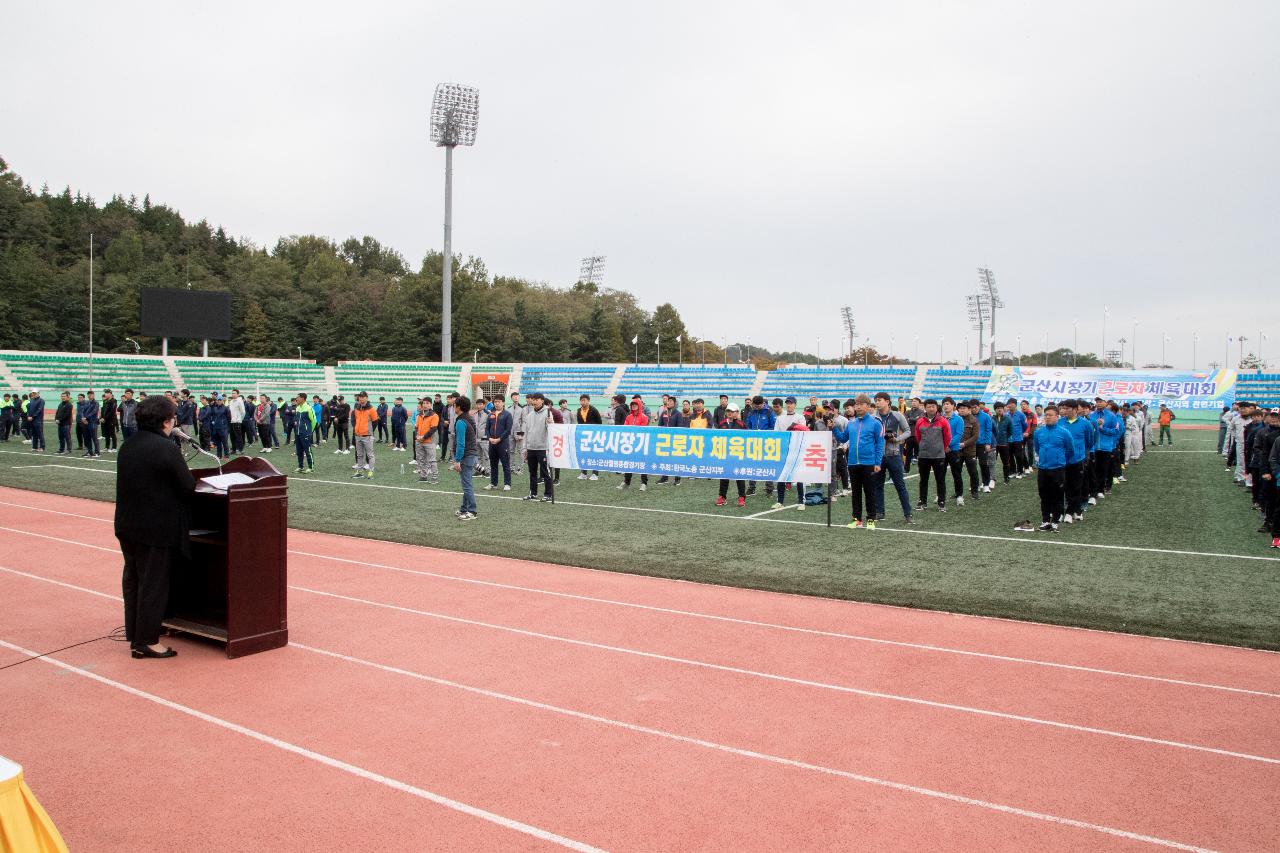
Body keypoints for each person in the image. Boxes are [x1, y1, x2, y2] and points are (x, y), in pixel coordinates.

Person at [115, 394, 195, 658]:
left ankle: (136, 634)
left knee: (134, 579)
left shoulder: (128, 445)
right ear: (165, 421)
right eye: (173, 418)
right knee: (154, 583)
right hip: (156, 528)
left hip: (128, 525)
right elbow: (187, 486)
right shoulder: (166, 448)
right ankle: (147, 641)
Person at [833, 394, 884, 529]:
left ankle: (871, 519)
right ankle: (857, 519)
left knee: (869, 492)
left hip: (869, 463)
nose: (858, 407)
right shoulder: (851, 423)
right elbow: (843, 438)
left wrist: (877, 463)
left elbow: (880, 444)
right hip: (852, 463)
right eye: (856, 404)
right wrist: (834, 428)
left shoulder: (875, 423)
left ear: (867, 406)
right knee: (855, 492)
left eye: (861, 404)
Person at [871, 392, 913, 524]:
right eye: (876, 400)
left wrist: (897, 439)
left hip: (894, 455)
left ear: (888, 401)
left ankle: (908, 514)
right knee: (877, 485)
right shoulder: (872, 418)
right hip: (878, 456)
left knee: (900, 485)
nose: (877, 403)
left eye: (880, 400)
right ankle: (880, 513)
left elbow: (908, 431)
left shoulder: (897, 415)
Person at [1031, 405, 1074, 532]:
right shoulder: (1039, 432)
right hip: (1043, 469)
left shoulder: (1064, 432)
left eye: (1050, 415)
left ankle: (1055, 521)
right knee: (1044, 495)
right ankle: (1045, 521)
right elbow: (1037, 448)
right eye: (1046, 415)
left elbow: (1070, 450)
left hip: (1058, 469)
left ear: (1057, 416)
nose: (1048, 417)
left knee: (1058, 495)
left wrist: (1059, 460)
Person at [913, 399, 951, 512]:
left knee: (940, 480)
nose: (931, 408)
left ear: (936, 407)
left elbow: (947, 437)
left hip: (938, 456)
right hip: (924, 455)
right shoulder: (920, 421)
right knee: (923, 480)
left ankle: (941, 502)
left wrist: (941, 448)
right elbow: (918, 436)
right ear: (925, 407)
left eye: (933, 406)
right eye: (929, 406)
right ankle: (922, 502)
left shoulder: (943, 421)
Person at [521, 392, 555, 501]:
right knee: (532, 472)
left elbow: (552, 429)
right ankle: (533, 493)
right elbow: (527, 432)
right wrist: (525, 448)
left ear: (542, 401)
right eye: (533, 399)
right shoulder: (529, 415)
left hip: (543, 448)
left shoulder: (548, 413)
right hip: (531, 448)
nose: (534, 401)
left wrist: (551, 423)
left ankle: (548, 494)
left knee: (545, 472)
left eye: (536, 399)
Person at [449, 396, 479, 520]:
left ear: (459, 407)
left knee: (467, 485)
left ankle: (472, 511)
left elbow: (461, 443)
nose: (453, 407)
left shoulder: (461, 422)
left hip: (466, 456)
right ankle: (464, 509)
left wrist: (457, 460)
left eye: (454, 405)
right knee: (467, 483)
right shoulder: (469, 418)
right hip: (470, 454)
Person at [715, 404, 748, 507]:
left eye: (732, 411)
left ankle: (742, 497)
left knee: (739, 476)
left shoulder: (741, 425)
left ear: (737, 413)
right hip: (725, 455)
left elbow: (747, 439)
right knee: (724, 476)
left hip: (738, 455)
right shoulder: (722, 424)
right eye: (728, 410)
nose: (729, 412)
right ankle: (722, 497)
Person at [744, 395, 776, 497]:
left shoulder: (769, 412)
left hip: (767, 442)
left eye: (758, 406)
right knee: (752, 465)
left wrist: (763, 432)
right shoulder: (751, 412)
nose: (756, 407)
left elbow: (774, 427)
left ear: (763, 403)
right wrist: (752, 432)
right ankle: (752, 488)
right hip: (753, 442)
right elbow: (747, 426)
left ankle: (769, 488)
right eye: (755, 406)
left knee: (767, 464)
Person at [618, 398, 650, 491]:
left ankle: (644, 483)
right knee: (628, 463)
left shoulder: (644, 417)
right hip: (630, 444)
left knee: (642, 463)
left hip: (640, 444)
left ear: (639, 405)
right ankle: (626, 482)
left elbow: (643, 430)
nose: (633, 406)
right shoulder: (628, 417)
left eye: (635, 404)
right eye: (632, 404)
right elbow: (625, 429)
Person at [484, 396, 513, 491]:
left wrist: (499, 439)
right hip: (492, 443)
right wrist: (489, 438)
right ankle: (493, 483)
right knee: (493, 464)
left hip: (503, 443)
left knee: (505, 464)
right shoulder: (490, 415)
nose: (497, 403)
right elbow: (487, 429)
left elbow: (508, 430)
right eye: (495, 402)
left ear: (503, 403)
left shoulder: (507, 415)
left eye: (499, 402)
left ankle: (507, 484)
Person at [350, 391, 379, 479]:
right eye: (360, 397)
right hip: (357, 435)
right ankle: (359, 472)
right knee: (359, 455)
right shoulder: (356, 409)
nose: (361, 399)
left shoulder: (371, 409)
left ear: (367, 398)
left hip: (367, 436)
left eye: (363, 397)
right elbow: (354, 420)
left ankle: (371, 472)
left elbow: (375, 422)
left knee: (370, 455)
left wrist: (369, 431)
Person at [575, 394, 602, 480]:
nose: (583, 402)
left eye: (584, 400)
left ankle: (595, 474)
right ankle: (583, 473)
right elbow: (579, 423)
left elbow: (599, 422)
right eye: (581, 400)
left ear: (588, 401)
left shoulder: (594, 410)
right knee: (583, 454)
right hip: (583, 436)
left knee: (594, 455)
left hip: (594, 436)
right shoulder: (578, 410)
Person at [413, 398, 440, 483]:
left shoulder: (434, 415)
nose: (425, 405)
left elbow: (433, 429)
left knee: (432, 460)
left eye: (427, 403)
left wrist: (423, 437)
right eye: (424, 403)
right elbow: (416, 427)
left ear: (430, 404)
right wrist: (417, 436)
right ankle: (423, 477)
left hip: (429, 442)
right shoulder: (419, 415)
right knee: (421, 459)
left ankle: (434, 478)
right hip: (419, 441)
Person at [291, 393, 317, 473]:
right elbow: (296, 419)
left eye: (297, 398)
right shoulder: (298, 407)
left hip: (305, 433)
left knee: (307, 450)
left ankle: (311, 467)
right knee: (299, 451)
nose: (296, 399)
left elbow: (314, 421)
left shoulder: (309, 408)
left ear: (302, 398)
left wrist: (309, 431)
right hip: (297, 433)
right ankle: (300, 467)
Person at [206, 393, 231, 460]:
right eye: (217, 400)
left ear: (222, 400)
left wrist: (227, 428)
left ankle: (226, 456)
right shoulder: (214, 408)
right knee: (218, 443)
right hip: (216, 428)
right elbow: (213, 417)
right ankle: (219, 456)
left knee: (225, 443)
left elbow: (229, 419)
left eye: (220, 400)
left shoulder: (226, 408)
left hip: (223, 428)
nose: (218, 401)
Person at [509, 392, 529, 475]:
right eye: (514, 396)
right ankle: (512, 467)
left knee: (520, 451)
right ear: (511, 398)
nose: (516, 397)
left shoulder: (522, 409)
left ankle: (520, 468)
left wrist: (522, 433)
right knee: (511, 451)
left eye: (517, 396)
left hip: (519, 432)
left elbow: (524, 422)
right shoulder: (509, 408)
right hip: (510, 432)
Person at [80, 390, 101, 458]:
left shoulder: (96, 403)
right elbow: (82, 411)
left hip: (92, 422)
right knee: (87, 438)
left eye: (91, 394)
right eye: (88, 394)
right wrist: (83, 418)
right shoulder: (86, 403)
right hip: (85, 423)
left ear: (93, 395)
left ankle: (97, 452)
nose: (90, 395)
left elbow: (94, 412)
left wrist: (85, 417)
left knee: (94, 437)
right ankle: (90, 452)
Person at [228, 390, 246, 454]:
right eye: (232, 393)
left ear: (238, 394)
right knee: (232, 436)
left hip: (237, 421)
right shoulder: (231, 401)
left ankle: (240, 449)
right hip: (231, 421)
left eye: (234, 393)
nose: (233, 394)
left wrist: (239, 420)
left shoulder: (239, 401)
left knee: (238, 436)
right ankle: (234, 449)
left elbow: (243, 412)